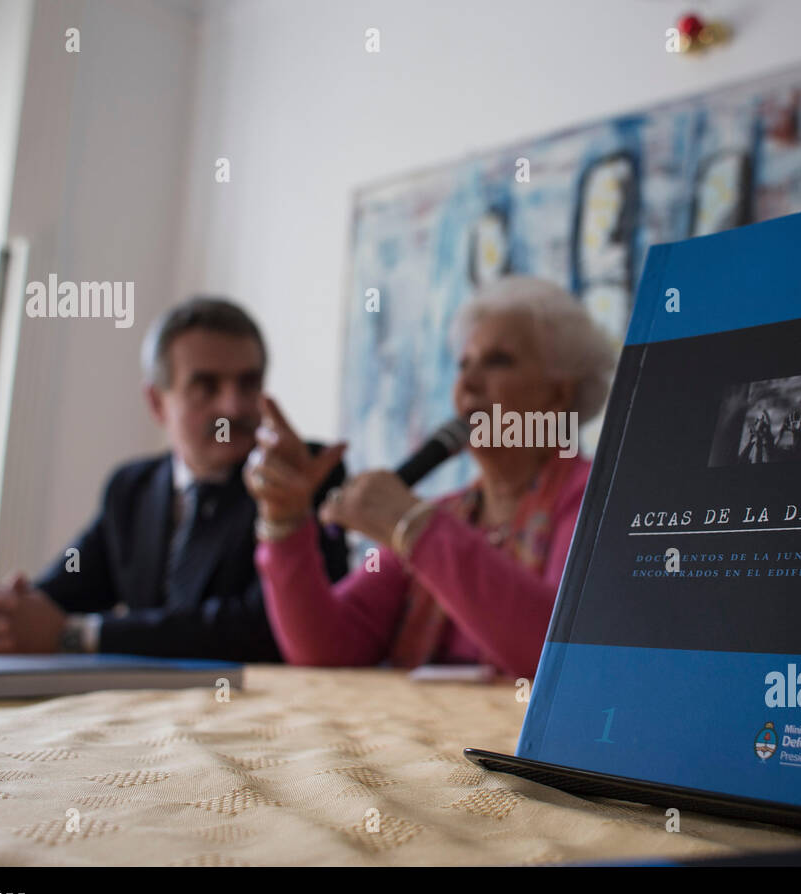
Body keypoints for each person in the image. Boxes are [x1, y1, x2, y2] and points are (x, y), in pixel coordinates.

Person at [244, 276, 615, 676]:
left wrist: (416, 528)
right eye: (463, 365)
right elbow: (327, 650)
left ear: (558, 395)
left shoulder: (601, 497)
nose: (466, 385)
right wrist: (284, 522)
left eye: (498, 361)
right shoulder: (446, 515)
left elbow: (564, 655)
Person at [0, 296, 349, 661]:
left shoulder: (302, 475)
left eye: (248, 383)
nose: (233, 406)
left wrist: (77, 635)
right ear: (157, 402)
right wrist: (5, 613)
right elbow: (67, 591)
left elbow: (262, 630)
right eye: (206, 387)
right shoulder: (131, 489)